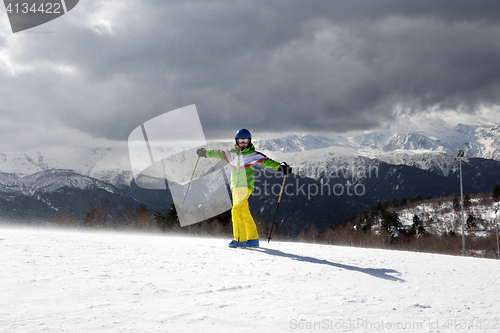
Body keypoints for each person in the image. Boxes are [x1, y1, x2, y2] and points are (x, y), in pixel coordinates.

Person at [196, 128, 292, 248]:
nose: (243, 142)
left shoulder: (252, 155)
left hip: (245, 186)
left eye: (245, 140)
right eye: (240, 140)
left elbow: (267, 161)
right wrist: (204, 153)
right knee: (244, 212)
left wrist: (281, 167)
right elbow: (216, 153)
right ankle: (253, 239)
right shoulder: (230, 154)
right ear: (236, 141)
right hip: (235, 187)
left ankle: (240, 240)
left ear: (249, 141)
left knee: (235, 211)